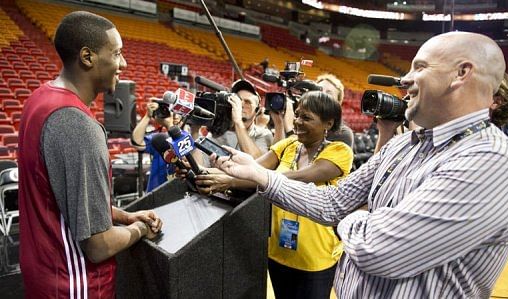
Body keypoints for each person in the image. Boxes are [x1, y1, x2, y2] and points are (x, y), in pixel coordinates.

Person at [211, 31, 508, 298]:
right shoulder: (403, 143)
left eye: (419, 67)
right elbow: (333, 202)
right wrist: (261, 176)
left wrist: (352, 219)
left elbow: (379, 251)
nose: (405, 80)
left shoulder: (493, 160)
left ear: (461, 73)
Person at [17, 11, 162, 298]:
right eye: (117, 53)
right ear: (87, 57)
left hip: (43, 274)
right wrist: (141, 231)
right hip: (74, 283)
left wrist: (126, 217)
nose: (124, 63)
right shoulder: (79, 125)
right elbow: (98, 246)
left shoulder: (39, 99)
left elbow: (65, 201)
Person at [195, 91, 353, 298]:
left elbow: (294, 178)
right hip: (279, 252)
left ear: (328, 124)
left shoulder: (340, 151)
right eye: (296, 115)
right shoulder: (288, 145)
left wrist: (230, 180)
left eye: (306, 118)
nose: (297, 122)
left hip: (316, 258)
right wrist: (202, 172)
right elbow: (251, 169)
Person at [132, 99, 180, 192]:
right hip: (155, 196)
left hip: (177, 197)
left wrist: (169, 124)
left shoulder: (188, 138)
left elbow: (181, 147)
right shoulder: (160, 139)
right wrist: (147, 116)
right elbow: (137, 143)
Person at [316, 73, 354, 147]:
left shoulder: (343, 133)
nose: (322, 95)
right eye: (319, 90)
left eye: (329, 93)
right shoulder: (300, 122)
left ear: (338, 102)